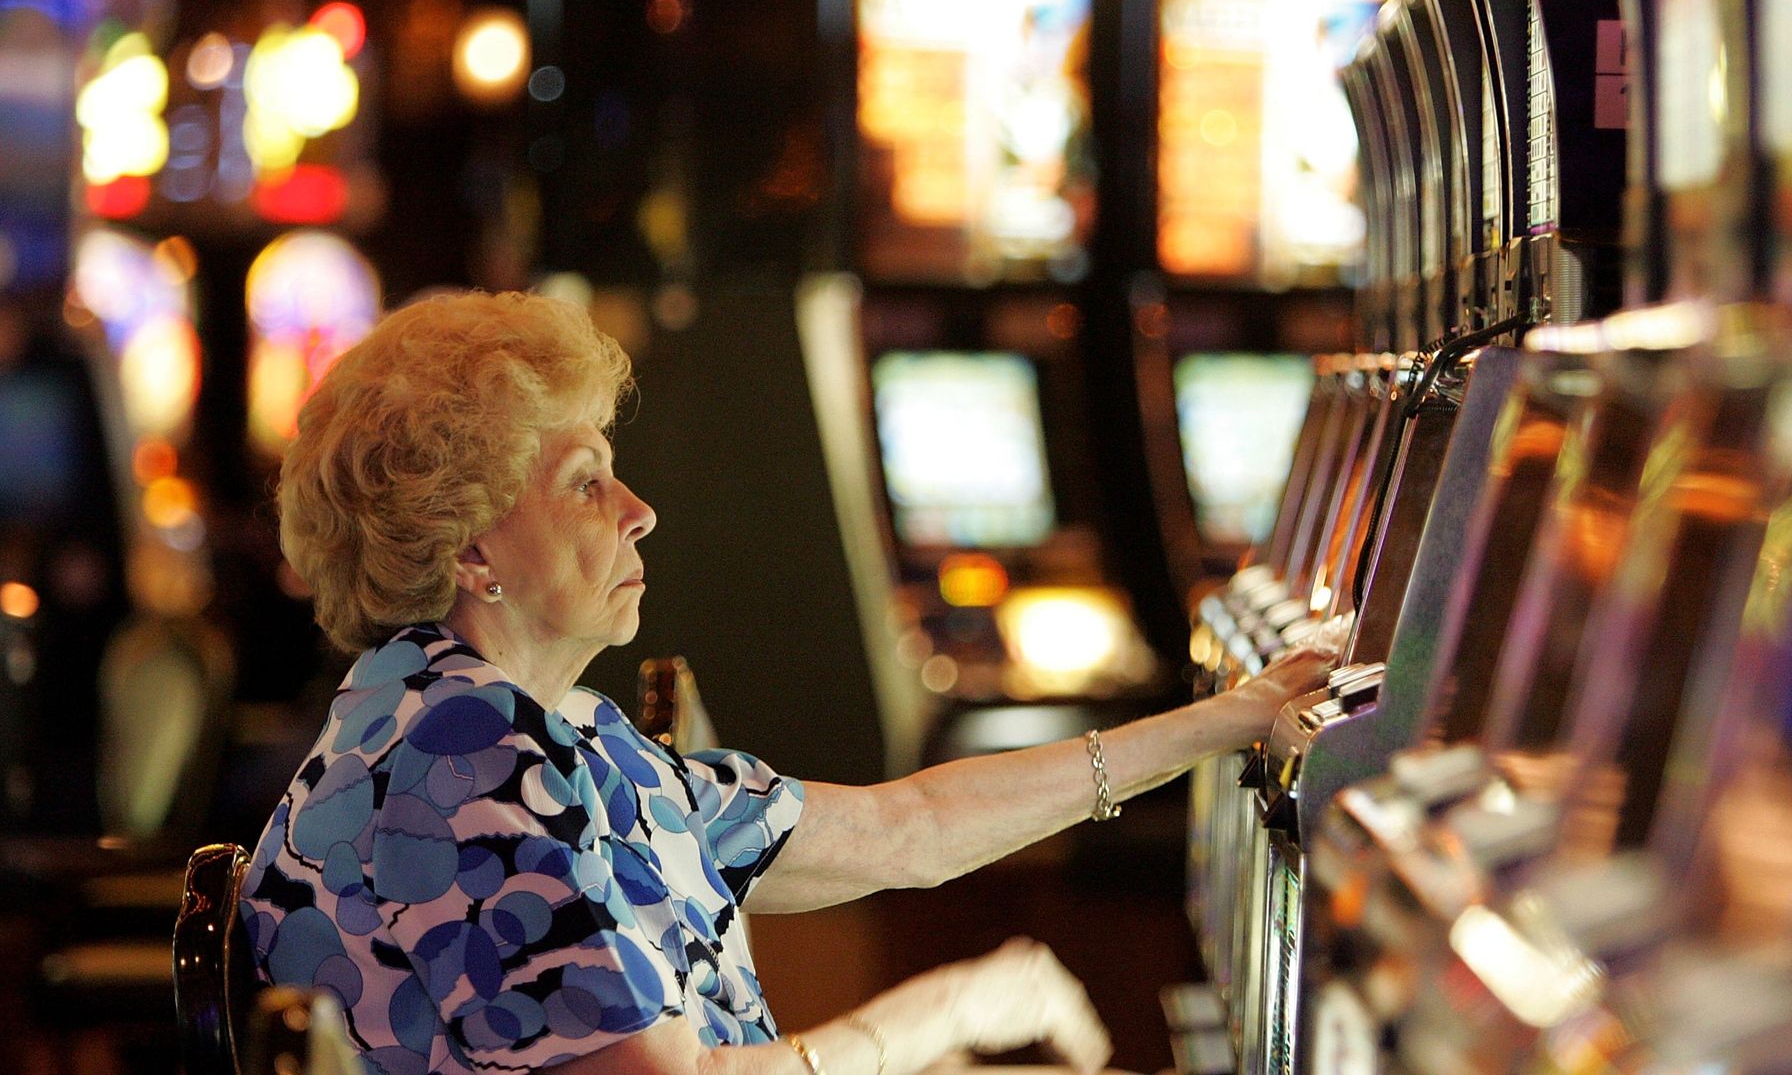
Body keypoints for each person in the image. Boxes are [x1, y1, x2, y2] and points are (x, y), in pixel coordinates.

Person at [240, 291, 1335, 1075]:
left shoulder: (541, 730)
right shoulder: (459, 760)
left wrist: (1219, 720)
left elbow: (910, 829)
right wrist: (951, 1010)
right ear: (470, 550)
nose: (638, 511)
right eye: (585, 486)